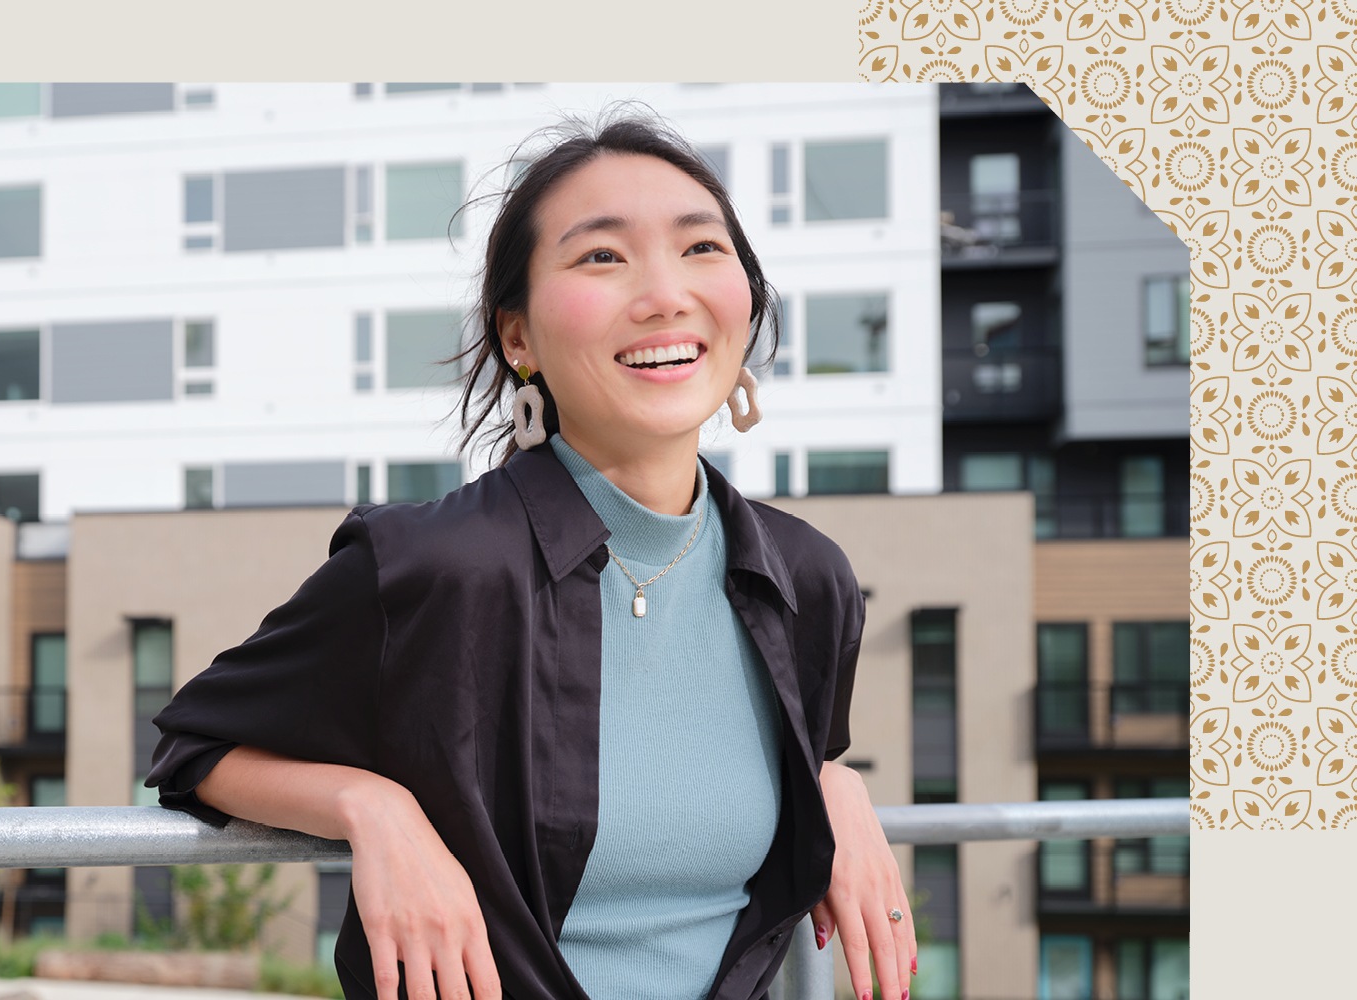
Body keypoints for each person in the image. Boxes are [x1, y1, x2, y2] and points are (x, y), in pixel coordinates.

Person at [146, 109, 916, 1000]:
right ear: (519, 339)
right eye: (602, 256)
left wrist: (833, 782)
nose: (665, 293)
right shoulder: (432, 565)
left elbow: (773, 759)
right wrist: (373, 809)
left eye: (702, 248)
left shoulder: (804, 577)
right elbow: (193, 746)